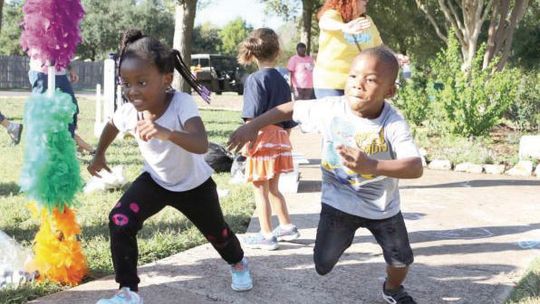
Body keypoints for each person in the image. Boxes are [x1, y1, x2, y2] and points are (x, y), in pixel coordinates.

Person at [228, 47, 423, 304]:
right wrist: (253, 125)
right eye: (353, 76)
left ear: (390, 91)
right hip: (338, 206)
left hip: (383, 209)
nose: (358, 85)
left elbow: (415, 166)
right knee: (323, 264)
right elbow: (289, 109)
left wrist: (372, 166)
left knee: (401, 261)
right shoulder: (331, 108)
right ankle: (343, 236)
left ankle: (393, 289)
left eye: (371, 79)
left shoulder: (393, 122)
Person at [88, 29, 252, 304]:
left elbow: (200, 144)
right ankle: (128, 291)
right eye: (126, 83)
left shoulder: (181, 104)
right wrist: (98, 155)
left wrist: (165, 132)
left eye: (141, 82)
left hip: (194, 186)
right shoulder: (129, 111)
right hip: (155, 182)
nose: (132, 91)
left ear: (166, 79)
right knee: (120, 220)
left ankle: (238, 263)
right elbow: (112, 125)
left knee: (218, 234)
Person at [237, 28, 300, 250]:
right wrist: (284, 141)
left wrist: (247, 145)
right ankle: (286, 226)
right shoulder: (282, 80)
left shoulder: (255, 80)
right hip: (282, 138)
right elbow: (289, 115)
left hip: (262, 137)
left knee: (260, 190)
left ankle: (266, 235)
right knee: (274, 188)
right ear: (277, 52)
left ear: (253, 53)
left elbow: (251, 120)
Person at [313, 0, 409, 98]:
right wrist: (344, 27)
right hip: (331, 85)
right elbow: (324, 22)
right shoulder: (333, 15)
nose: (367, 0)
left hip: (358, 84)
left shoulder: (367, 21)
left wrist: (394, 56)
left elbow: (379, 47)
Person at [28, 57, 95, 154]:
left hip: (60, 74)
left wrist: (70, 69)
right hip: (41, 72)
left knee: (72, 108)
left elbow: (64, 50)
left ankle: (67, 145)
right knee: (43, 111)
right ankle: (43, 148)